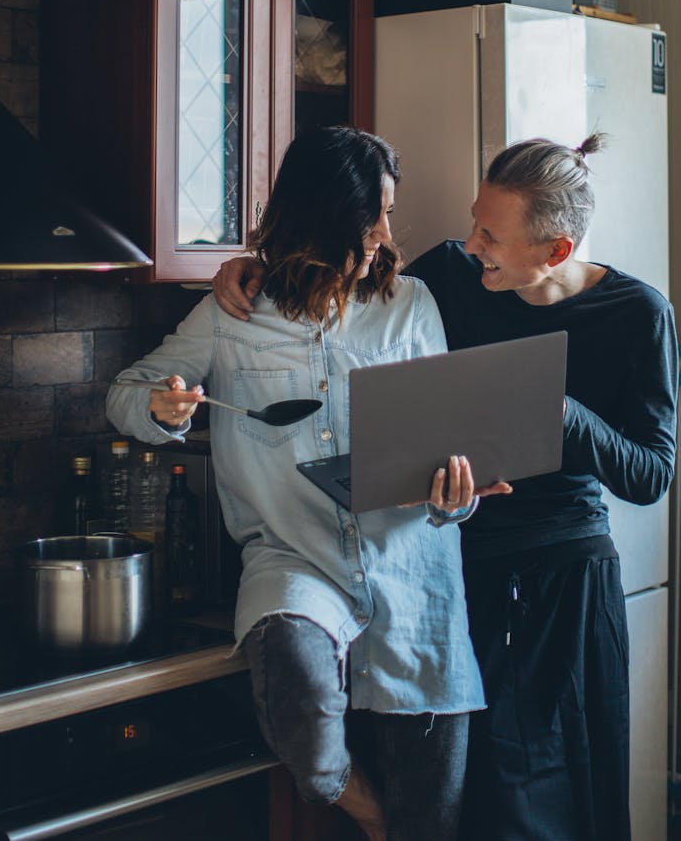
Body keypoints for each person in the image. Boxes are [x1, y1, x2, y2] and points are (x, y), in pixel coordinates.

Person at [211, 132, 678, 841]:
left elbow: (651, 473)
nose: (468, 242)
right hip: (463, 578)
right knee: (481, 808)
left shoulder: (638, 315)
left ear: (553, 250)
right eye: (473, 219)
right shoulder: (455, 278)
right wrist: (245, 269)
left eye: (490, 233)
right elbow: (343, 277)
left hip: (566, 586)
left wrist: (560, 413)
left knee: (565, 805)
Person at [107, 126, 509, 841]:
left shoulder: (412, 305)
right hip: (293, 562)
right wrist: (161, 407)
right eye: (371, 215)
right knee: (296, 685)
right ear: (322, 216)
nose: (387, 233)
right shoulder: (231, 315)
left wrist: (459, 495)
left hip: (413, 578)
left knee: (434, 818)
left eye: (389, 211)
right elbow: (127, 392)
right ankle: (368, 813)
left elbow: (453, 447)